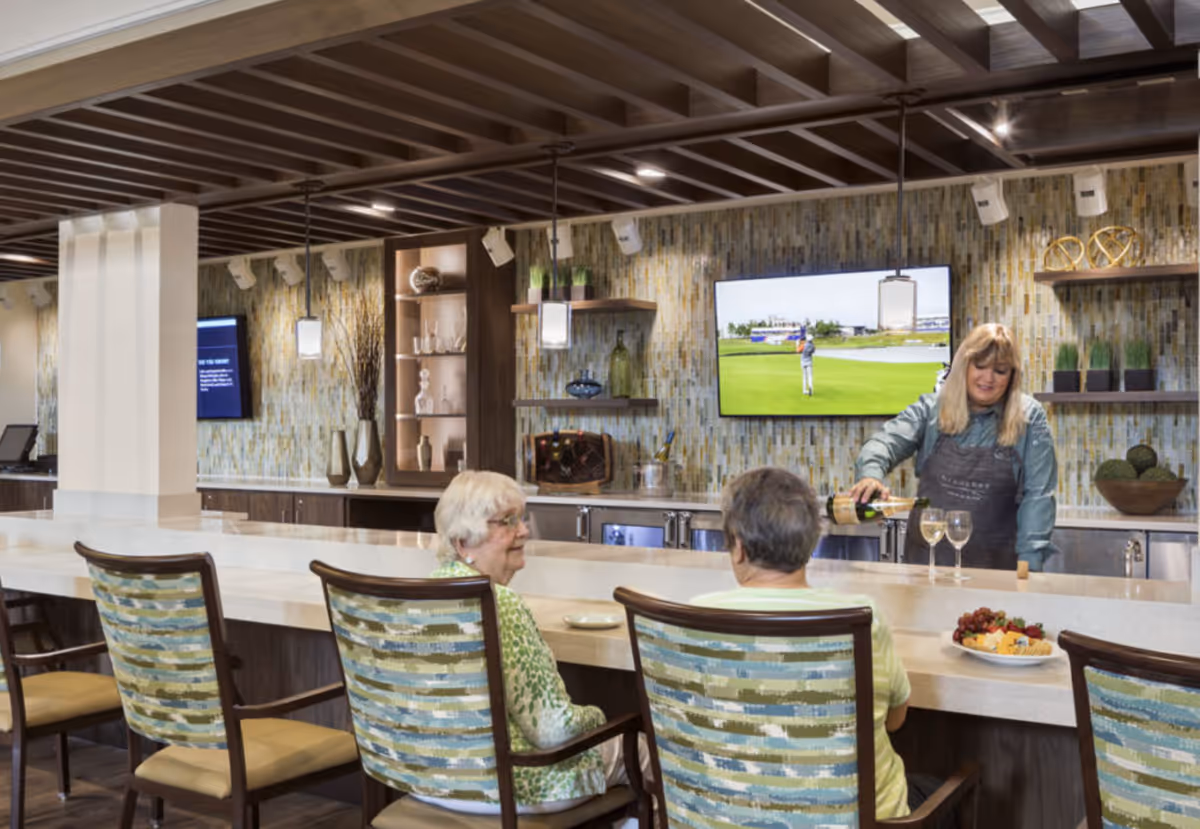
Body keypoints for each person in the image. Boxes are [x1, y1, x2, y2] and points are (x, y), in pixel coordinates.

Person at [691, 467, 944, 822]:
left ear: (739, 548)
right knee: (938, 787)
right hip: (857, 820)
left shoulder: (693, 617)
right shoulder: (863, 616)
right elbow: (895, 720)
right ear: (810, 544)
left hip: (723, 819)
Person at [426, 470, 650, 818]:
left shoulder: (423, 595)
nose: (524, 531)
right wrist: (600, 716)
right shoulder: (498, 603)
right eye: (507, 521)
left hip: (430, 781)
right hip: (511, 785)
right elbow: (554, 731)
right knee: (645, 748)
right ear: (463, 543)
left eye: (521, 518)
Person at [849, 323, 1057, 571]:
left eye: (1000, 371)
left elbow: (1038, 497)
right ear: (963, 366)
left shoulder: (1029, 417)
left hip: (996, 572)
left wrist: (1028, 569)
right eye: (979, 366)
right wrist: (870, 476)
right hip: (926, 567)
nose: (988, 378)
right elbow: (883, 443)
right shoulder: (931, 409)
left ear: (1012, 376)